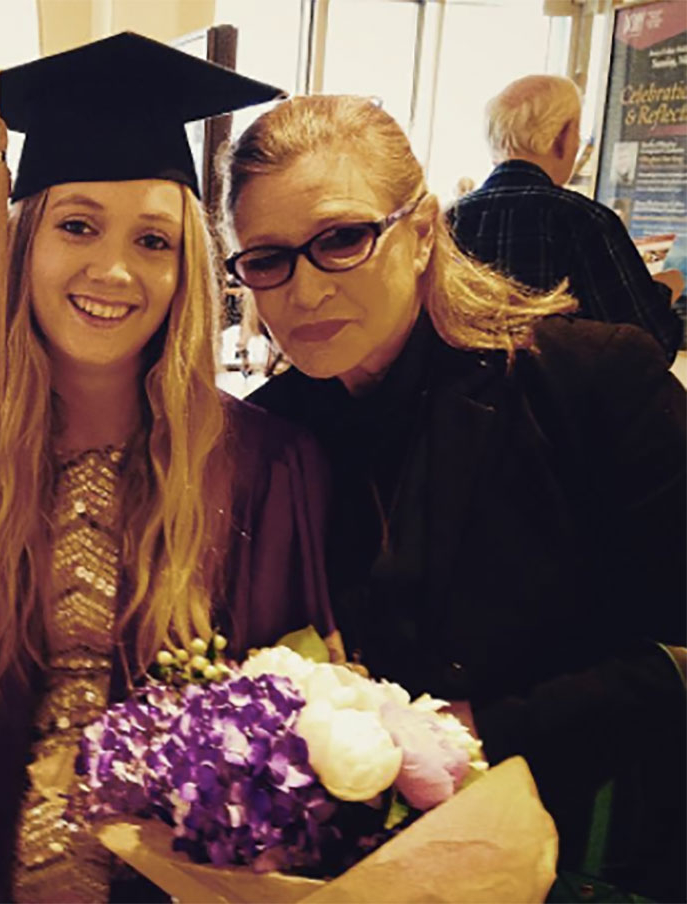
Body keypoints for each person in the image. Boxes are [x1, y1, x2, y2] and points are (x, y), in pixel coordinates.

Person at [0, 32, 335, 903]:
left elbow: (300, 739)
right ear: (22, 243)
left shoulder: (269, 468)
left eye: (154, 240)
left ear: (187, 267)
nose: (114, 269)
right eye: (77, 225)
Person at [222, 94, 686, 902]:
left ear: (424, 228)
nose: (302, 291)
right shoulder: (267, 435)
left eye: (342, 239)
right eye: (267, 259)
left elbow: (675, 653)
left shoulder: (588, 383)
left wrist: (470, 733)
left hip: (575, 848)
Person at [448, 74, 684, 361]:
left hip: (460, 404)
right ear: (561, 138)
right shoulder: (586, 221)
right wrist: (662, 291)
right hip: (563, 405)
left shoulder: (447, 223)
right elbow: (648, 349)